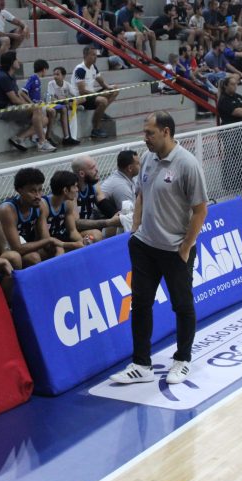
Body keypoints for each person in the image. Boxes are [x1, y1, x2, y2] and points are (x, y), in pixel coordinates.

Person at [110, 111, 208, 386]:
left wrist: (186, 247)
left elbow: (200, 210)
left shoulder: (187, 164)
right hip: (144, 246)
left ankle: (183, 359)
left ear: (166, 132)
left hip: (175, 250)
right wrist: (135, 229)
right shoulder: (147, 159)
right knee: (140, 304)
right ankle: (141, 364)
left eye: (150, 133)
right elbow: (141, 193)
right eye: (145, 132)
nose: (145, 138)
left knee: (182, 305)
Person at [0, 167, 63, 268]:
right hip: (5, 253)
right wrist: (50, 241)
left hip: (27, 248)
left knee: (57, 248)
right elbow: (17, 248)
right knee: (33, 257)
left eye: (40, 190)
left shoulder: (40, 205)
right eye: (32, 191)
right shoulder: (7, 210)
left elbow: (46, 240)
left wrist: (64, 246)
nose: (38, 196)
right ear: (19, 190)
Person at [0, 51, 55, 152]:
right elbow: (14, 99)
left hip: (14, 107)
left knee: (44, 120)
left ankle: (19, 138)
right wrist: (30, 106)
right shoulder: (3, 77)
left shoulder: (11, 76)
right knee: (36, 109)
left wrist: (30, 105)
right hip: (4, 109)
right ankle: (42, 142)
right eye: (16, 59)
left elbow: (18, 95)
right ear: (11, 62)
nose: (19, 61)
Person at [71, 154, 121, 241]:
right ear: (82, 174)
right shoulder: (72, 190)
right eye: (92, 168)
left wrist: (119, 216)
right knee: (96, 234)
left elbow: (104, 205)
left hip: (88, 227)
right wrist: (107, 222)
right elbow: (76, 223)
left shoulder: (94, 184)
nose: (97, 170)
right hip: (72, 232)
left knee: (120, 221)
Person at [72, 45, 118, 139]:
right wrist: (98, 94)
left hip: (92, 95)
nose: (95, 57)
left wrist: (110, 88)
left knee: (115, 90)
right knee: (103, 101)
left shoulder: (93, 67)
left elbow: (102, 82)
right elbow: (82, 91)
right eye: (93, 55)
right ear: (85, 56)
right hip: (83, 99)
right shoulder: (80, 69)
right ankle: (95, 129)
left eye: (96, 55)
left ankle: (101, 111)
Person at [217, 73, 242, 191]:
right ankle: (229, 184)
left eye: (236, 84)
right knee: (231, 157)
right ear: (226, 86)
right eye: (232, 84)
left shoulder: (239, 96)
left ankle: (241, 182)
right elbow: (238, 112)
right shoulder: (223, 100)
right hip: (231, 132)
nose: (235, 86)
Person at [44, 170, 86, 251]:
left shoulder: (68, 203)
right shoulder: (44, 206)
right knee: (59, 249)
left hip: (61, 238)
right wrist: (70, 245)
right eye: (75, 186)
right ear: (65, 190)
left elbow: (72, 231)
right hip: (46, 244)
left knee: (94, 234)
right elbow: (46, 241)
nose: (77, 189)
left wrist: (82, 242)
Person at [45, 66, 80, 146]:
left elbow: (77, 96)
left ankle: (67, 137)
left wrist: (72, 102)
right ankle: (50, 137)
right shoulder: (51, 84)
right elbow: (50, 98)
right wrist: (60, 99)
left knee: (67, 109)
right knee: (64, 108)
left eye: (57, 74)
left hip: (63, 105)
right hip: (52, 105)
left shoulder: (67, 85)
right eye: (54, 74)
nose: (55, 76)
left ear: (63, 76)